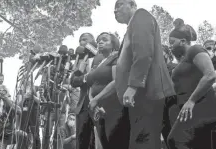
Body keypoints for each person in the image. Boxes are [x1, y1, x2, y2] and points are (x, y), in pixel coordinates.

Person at [114, 0, 175, 148]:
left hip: (146, 92)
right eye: (114, 9)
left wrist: (133, 86)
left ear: (133, 5)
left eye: (119, 5)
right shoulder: (132, 25)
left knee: (143, 140)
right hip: (141, 94)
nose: (115, 11)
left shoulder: (140, 16)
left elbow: (143, 52)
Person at [167, 19, 216, 149]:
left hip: (202, 105)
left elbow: (210, 75)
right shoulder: (183, 60)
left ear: (183, 41)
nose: (170, 46)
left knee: (176, 140)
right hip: (190, 109)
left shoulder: (195, 49)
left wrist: (191, 100)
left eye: (172, 42)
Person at [86, 32, 130, 149]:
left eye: (105, 40)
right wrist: (93, 102)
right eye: (99, 40)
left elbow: (117, 81)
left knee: (115, 143)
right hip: (98, 110)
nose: (100, 42)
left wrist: (96, 99)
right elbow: (91, 84)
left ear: (114, 44)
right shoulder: (100, 62)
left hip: (113, 108)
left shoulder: (116, 57)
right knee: (105, 144)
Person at [70, 33, 104, 149]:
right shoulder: (80, 59)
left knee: (102, 139)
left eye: (84, 39)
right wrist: (84, 77)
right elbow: (73, 81)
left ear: (93, 41)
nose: (81, 42)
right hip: (83, 105)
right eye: (80, 40)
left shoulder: (103, 56)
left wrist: (89, 76)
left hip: (100, 103)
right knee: (82, 141)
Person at [0, 82, 24, 149]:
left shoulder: (6, 103)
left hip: (5, 134)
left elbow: (19, 111)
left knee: (23, 135)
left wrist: (6, 99)